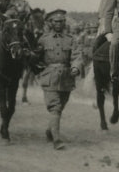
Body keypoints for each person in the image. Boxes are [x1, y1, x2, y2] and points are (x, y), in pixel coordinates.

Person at [35, 9, 84, 150]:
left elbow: (77, 55)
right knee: (55, 107)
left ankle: (50, 130)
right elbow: (36, 58)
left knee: (61, 106)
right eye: (55, 21)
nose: (58, 24)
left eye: (61, 21)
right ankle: (56, 140)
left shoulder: (70, 39)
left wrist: (75, 67)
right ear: (50, 23)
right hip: (49, 77)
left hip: (66, 78)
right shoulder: (43, 39)